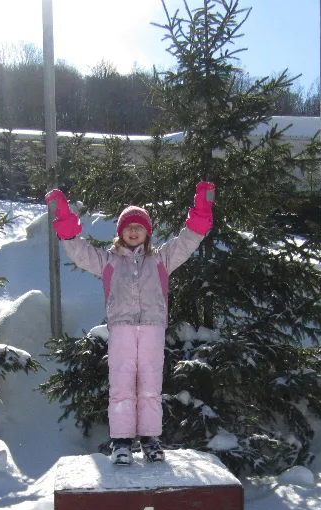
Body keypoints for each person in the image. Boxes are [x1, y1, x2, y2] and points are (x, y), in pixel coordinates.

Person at [45, 181, 216, 466]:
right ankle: (122, 441)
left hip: (152, 328)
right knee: (122, 386)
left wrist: (202, 209)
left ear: (147, 233)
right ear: (120, 233)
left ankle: (150, 439)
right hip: (122, 328)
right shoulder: (109, 262)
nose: (133, 231)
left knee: (150, 385)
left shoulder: (161, 259)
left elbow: (189, 240)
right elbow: (79, 251)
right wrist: (64, 219)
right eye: (128, 228)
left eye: (139, 227)